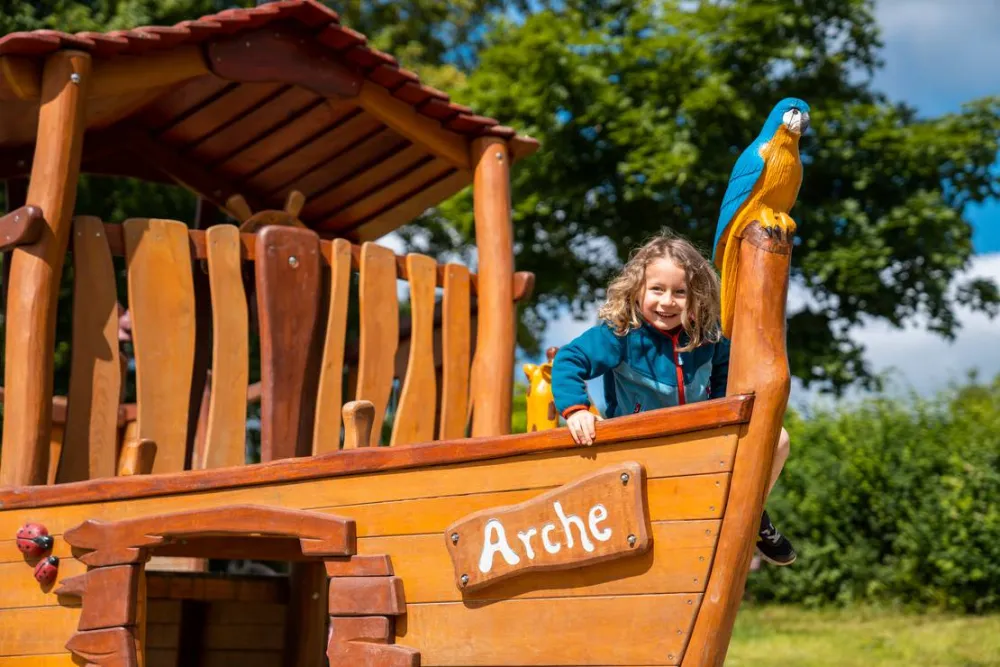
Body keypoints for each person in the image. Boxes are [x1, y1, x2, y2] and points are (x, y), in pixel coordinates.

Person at [551, 230, 796, 566]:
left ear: (696, 297)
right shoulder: (621, 334)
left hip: (696, 440)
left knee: (777, 438)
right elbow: (569, 360)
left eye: (680, 292)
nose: (667, 302)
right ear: (637, 290)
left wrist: (725, 418)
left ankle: (751, 515)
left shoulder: (707, 338)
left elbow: (725, 381)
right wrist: (577, 410)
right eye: (657, 290)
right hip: (640, 445)